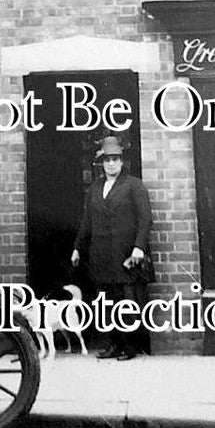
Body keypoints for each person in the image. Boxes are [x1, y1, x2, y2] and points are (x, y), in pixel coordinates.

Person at [71, 135, 153, 361]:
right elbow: (86, 221)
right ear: (101, 162)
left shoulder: (134, 185)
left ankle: (129, 346)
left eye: (115, 159)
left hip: (126, 254)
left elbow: (146, 219)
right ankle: (114, 344)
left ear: (122, 161)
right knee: (106, 302)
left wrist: (139, 247)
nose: (111, 163)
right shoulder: (96, 188)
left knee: (125, 301)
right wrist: (78, 247)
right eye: (107, 159)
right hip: (101, 255)